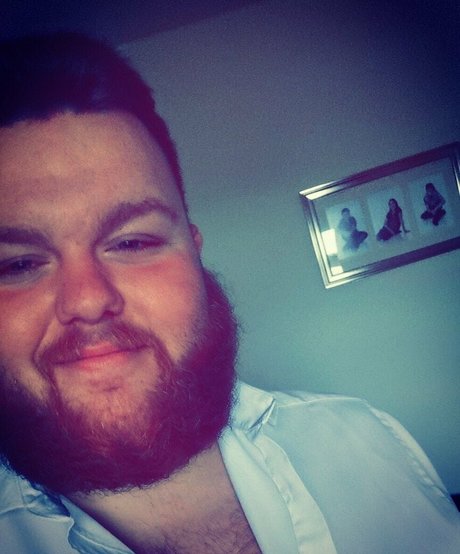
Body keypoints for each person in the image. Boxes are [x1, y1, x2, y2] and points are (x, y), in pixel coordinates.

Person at [0, 33, 459, 554]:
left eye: (133, 242)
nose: (87, 300)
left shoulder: (366, 441)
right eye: (18, 264)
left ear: (194, 252)